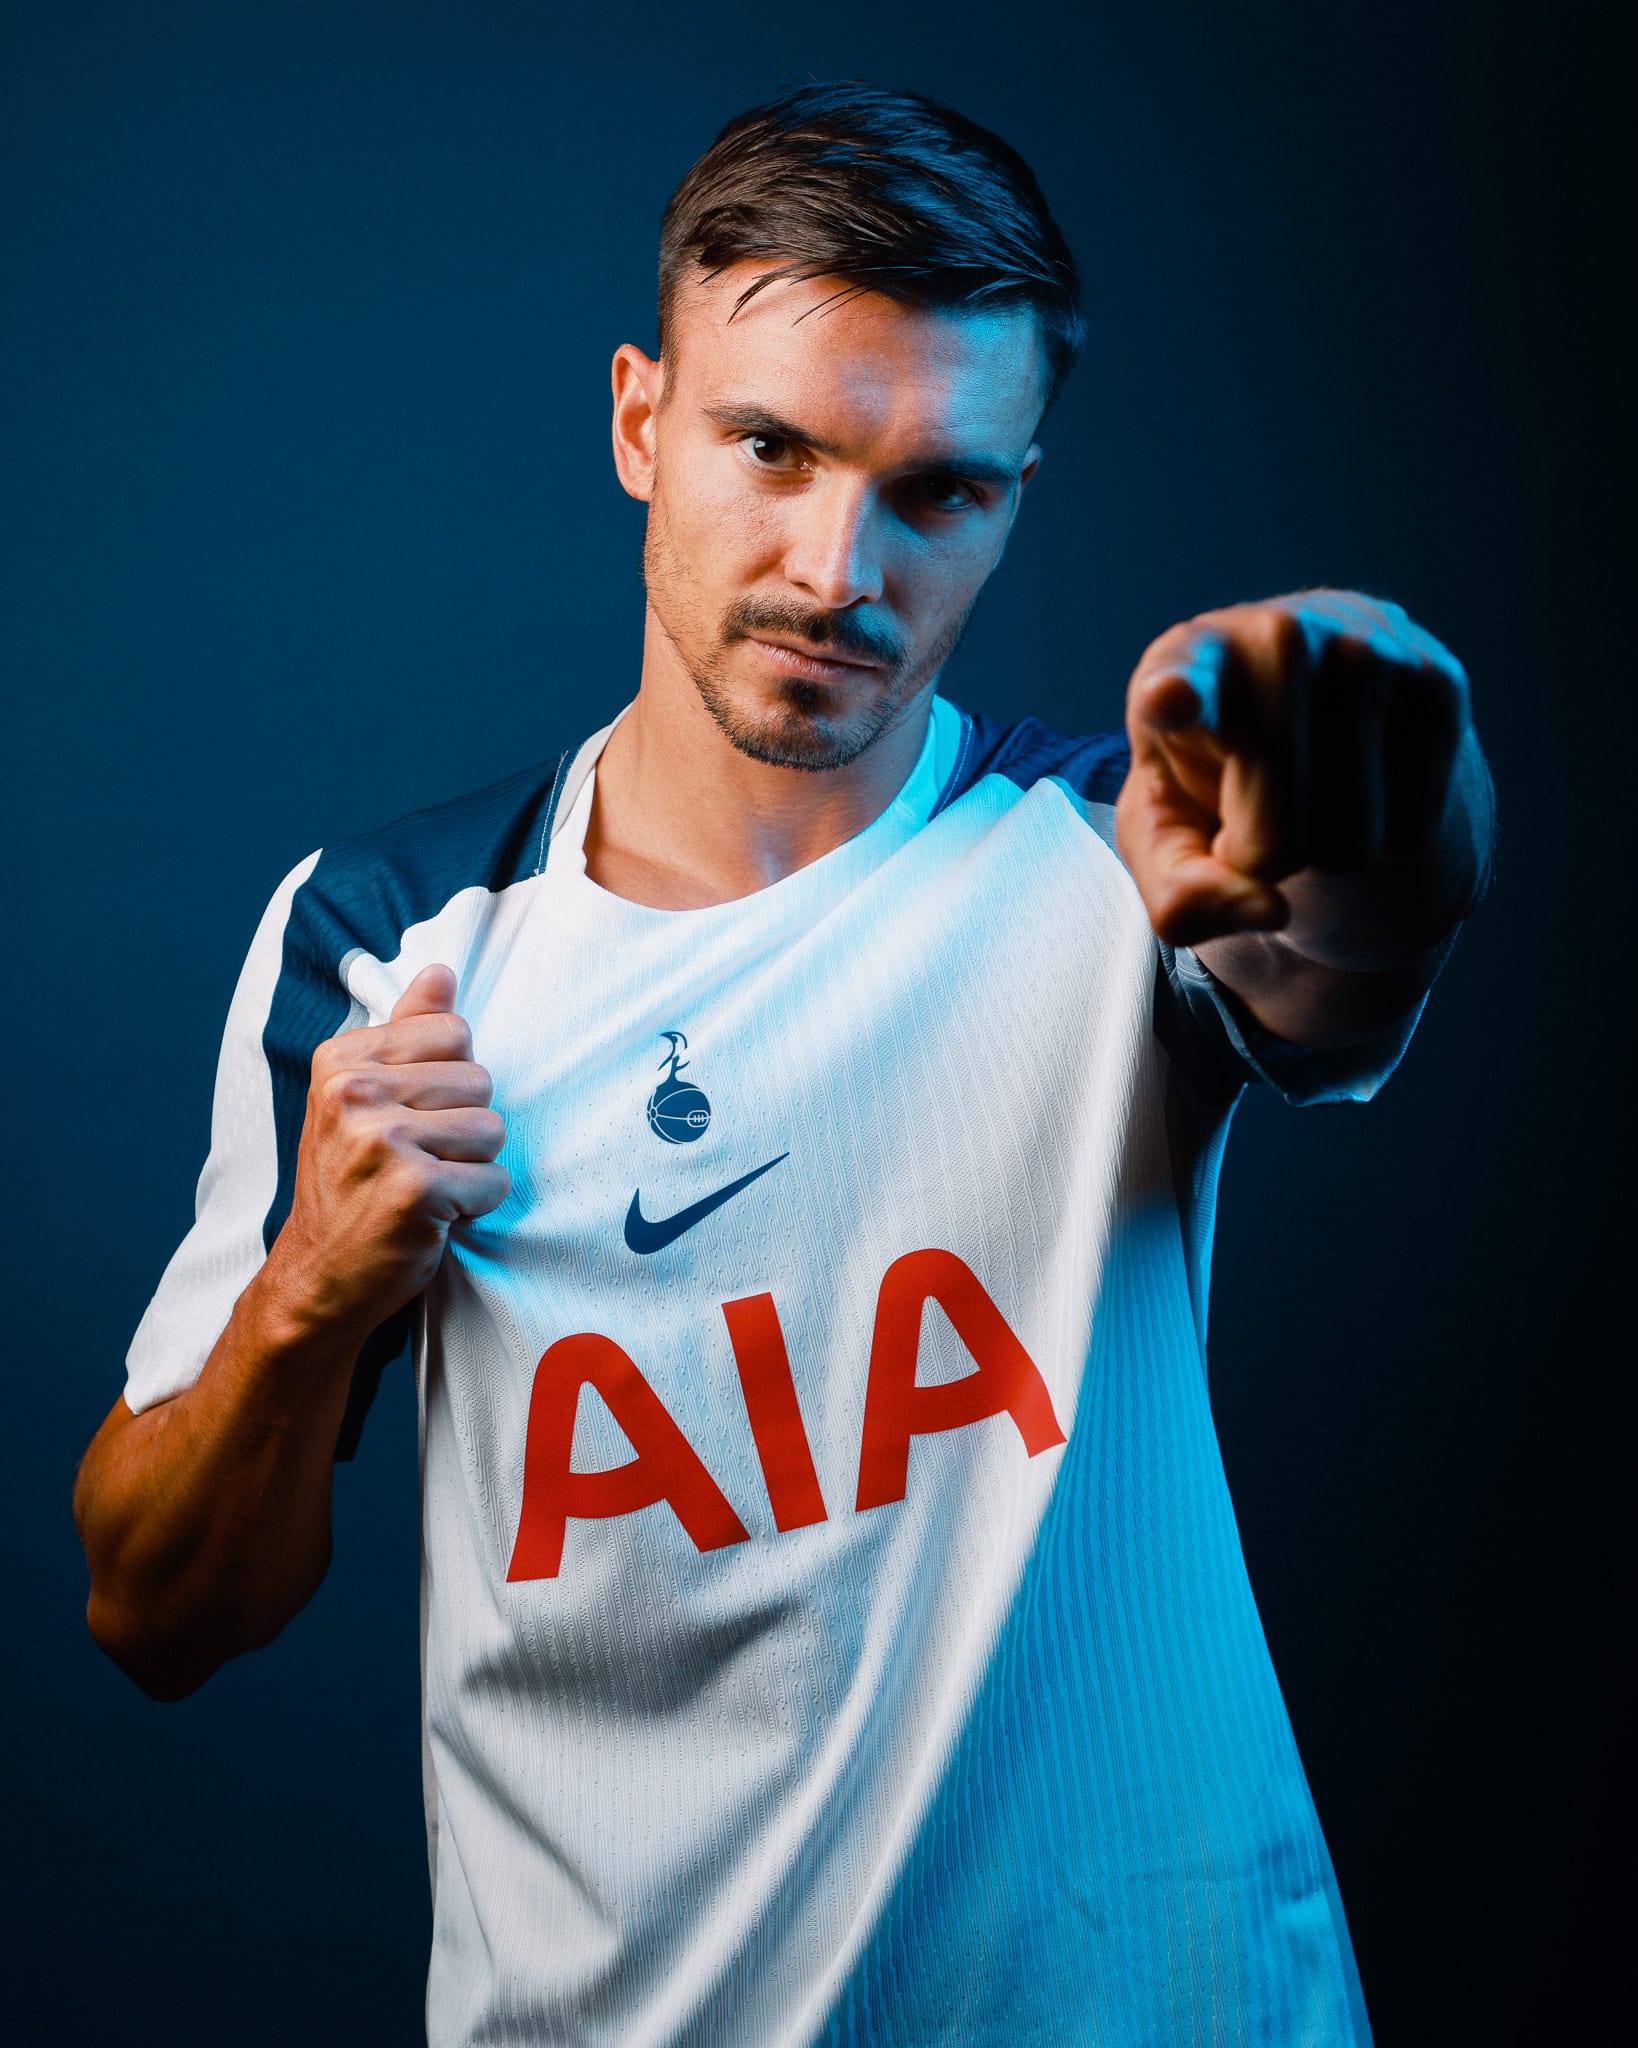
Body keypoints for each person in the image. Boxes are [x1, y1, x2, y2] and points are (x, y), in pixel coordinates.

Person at [73, 82, 1493, 2047]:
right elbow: (156, 1612)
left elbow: (1359, 918)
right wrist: (314, 1284)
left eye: (940, 493)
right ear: (640, 421)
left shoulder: (1125, 855)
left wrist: (1388, 742)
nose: (842, 569)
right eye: (773, 448)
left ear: (1014, 497)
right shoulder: (389, 941)